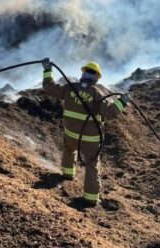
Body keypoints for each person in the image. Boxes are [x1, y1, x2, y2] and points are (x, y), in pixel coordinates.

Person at [41, 59, 129, 207]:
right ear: (96, 77)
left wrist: (47, 70)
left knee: (69, 149)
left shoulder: (70, 88)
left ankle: (67, 174)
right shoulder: (96, 93)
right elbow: (109, 113)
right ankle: (91, 198)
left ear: (83, 73)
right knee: (92, 164)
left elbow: (49, 88)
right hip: (90, 139)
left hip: (70, 134)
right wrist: (123, 101)